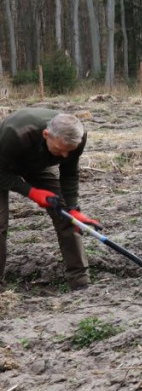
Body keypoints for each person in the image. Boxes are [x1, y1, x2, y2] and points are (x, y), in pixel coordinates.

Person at [0, 110, 97, 290]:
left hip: (35, 163)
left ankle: (80, 282)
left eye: (70, 151)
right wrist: (32, 192)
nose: (65, 156)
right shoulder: (16, 134)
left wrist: (73, 207)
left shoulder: (76, 139)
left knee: (66, 216)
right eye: (60, 150)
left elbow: (69, 174)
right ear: (46, 135)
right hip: (3, 162)